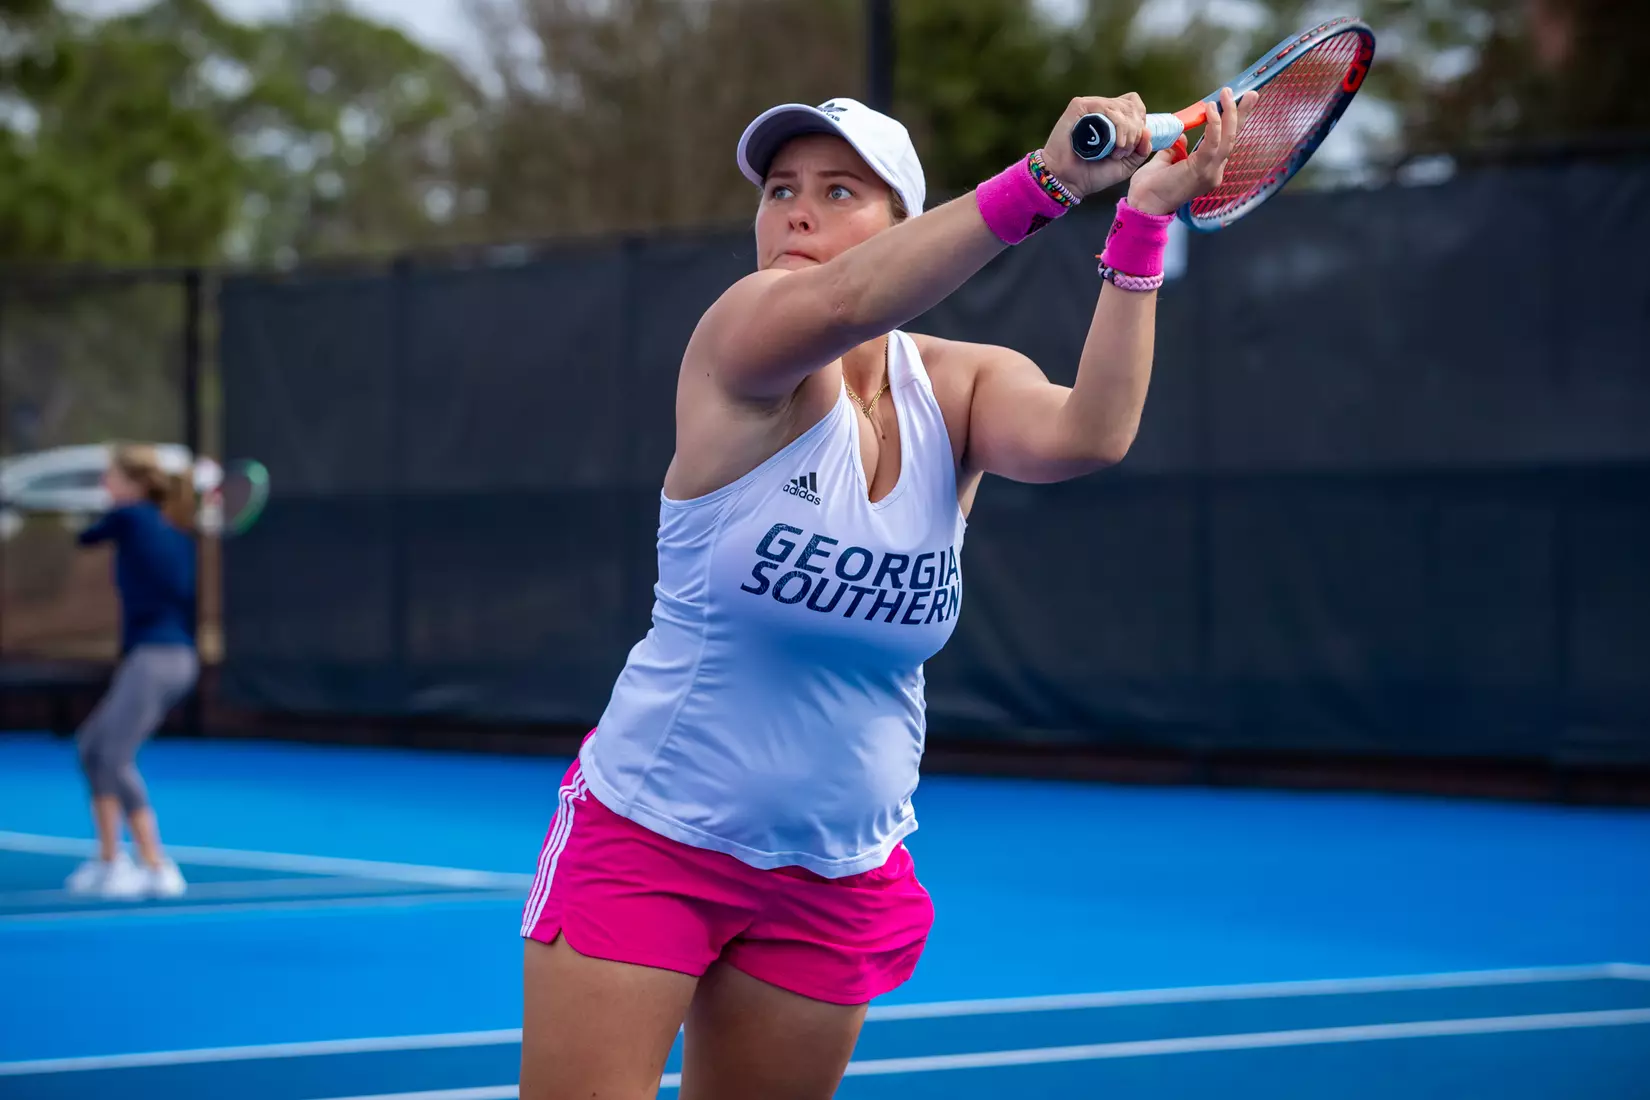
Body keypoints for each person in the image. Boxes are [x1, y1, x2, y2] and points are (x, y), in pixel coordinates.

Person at [519, 88, 1256, 1100]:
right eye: (780, 190)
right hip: (655, 837)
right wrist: (1048, 183)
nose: (797, 214)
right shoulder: (745, 339)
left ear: (904, 223)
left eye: (838, 190)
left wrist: (1142, 218)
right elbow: (843, 305)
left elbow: (1092, 432)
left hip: (838, 868)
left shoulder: (961, 386)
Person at [61, 444, 199, 900]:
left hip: (157, 659)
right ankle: (110, 861)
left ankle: (158, 868)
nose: (104, 485)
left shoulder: (133, 516)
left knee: (114, 757)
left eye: (111, 477)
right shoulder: (175, 529)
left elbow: (86, 536)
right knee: (92, 748)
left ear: (135, 484)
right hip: (166, 658)